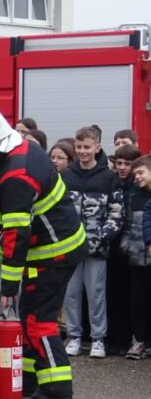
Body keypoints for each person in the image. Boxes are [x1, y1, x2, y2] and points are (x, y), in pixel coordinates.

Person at [0, 108, 86, 399]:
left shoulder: (17, 173)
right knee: (30, 315)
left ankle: (57, 390)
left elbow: (18, 232)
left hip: (53, 252)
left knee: (37, 320)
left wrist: (8, 287)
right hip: (51, 248)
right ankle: (27, 381)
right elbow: (9, 224)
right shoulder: (18, 148)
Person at [62, 126, 124, 360]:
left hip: (97, 249)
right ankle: (74, 336)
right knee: (71, 293)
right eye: (79, 147)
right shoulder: (66, 177)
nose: (82, 151)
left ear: (97, 147)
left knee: (96, 294)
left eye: (87, 147)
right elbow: (59, 211)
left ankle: (98, 339)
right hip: (70, 248)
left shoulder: (109, 178)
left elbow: (117, 214)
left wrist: (99, 237)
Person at [107, 143, 141, 355]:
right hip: (113, 245)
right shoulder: (112, 183)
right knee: (113, 294)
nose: (122, 167)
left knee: (131, 295)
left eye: (127, 164)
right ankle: (115, 337)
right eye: (119, 163)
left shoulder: (137, 187)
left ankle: (130, 337)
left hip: (132, 247)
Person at [126, 155, 151, 358]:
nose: (137, 178)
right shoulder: (135, 197)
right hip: (137, 258)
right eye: (136, 174)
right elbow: (128, 224)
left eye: (141, 173)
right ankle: (140, 340)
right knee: (138, 301)